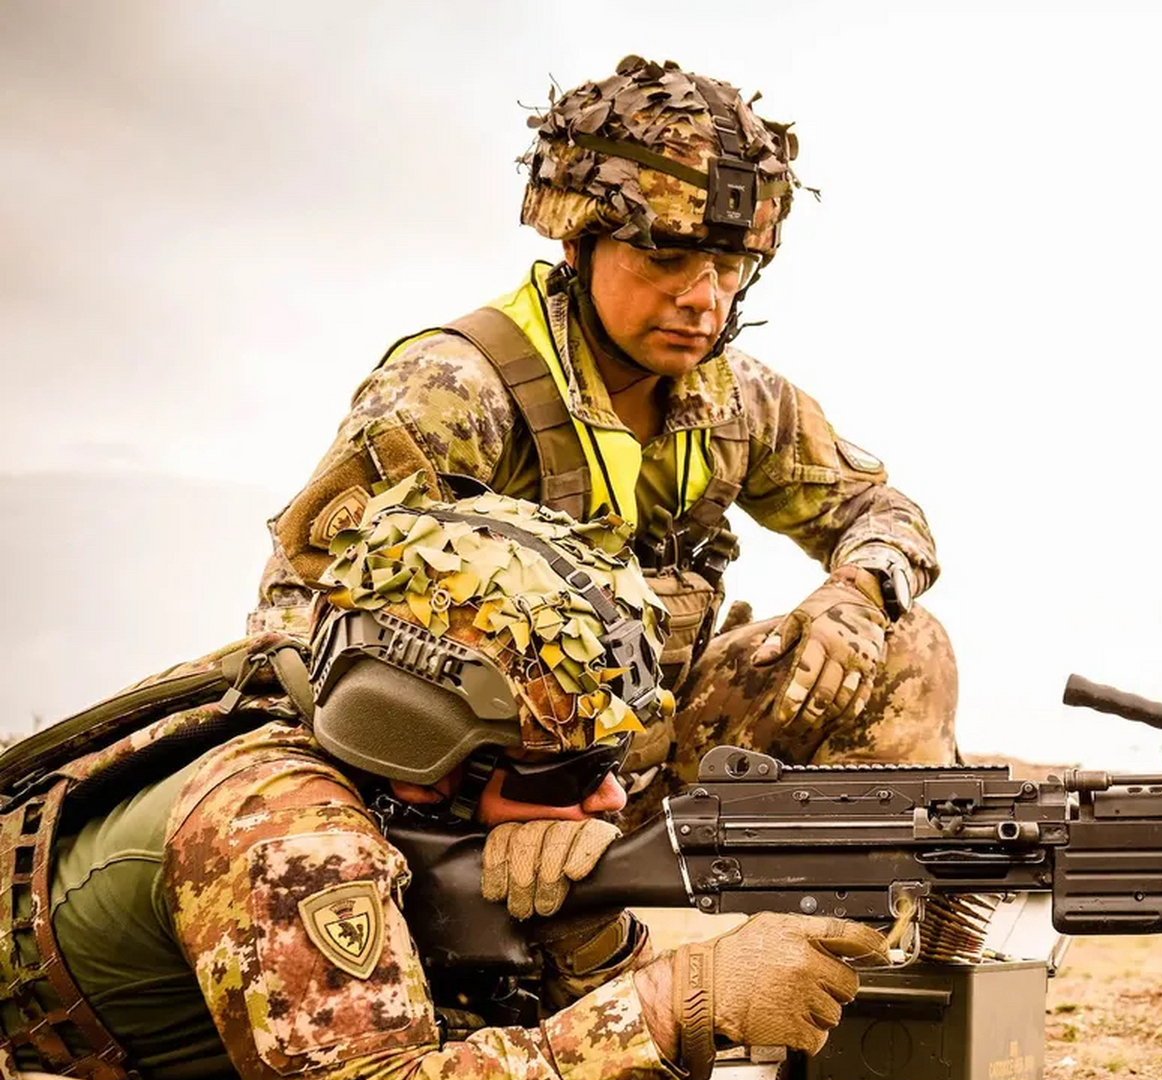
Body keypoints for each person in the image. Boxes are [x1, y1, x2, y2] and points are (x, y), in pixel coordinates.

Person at [0, 487, 886, 1080]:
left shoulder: (380, 795)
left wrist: (589, 948)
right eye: (568, 772)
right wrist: (679, 1003)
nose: (611, 800)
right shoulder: (284, 830)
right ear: (423, 762)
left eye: (611, 766)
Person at [257, 54, 957, 792]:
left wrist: (858, 591)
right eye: (667, 257)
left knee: (906, 643)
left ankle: (854, 905)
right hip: (482, 776)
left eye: (729, 266)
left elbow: (880, 510)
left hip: (656, 748)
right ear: (576, 242)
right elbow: (295, 614)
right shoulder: (458, 386)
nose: (704, 298)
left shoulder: (738, 397)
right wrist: (455, 785)